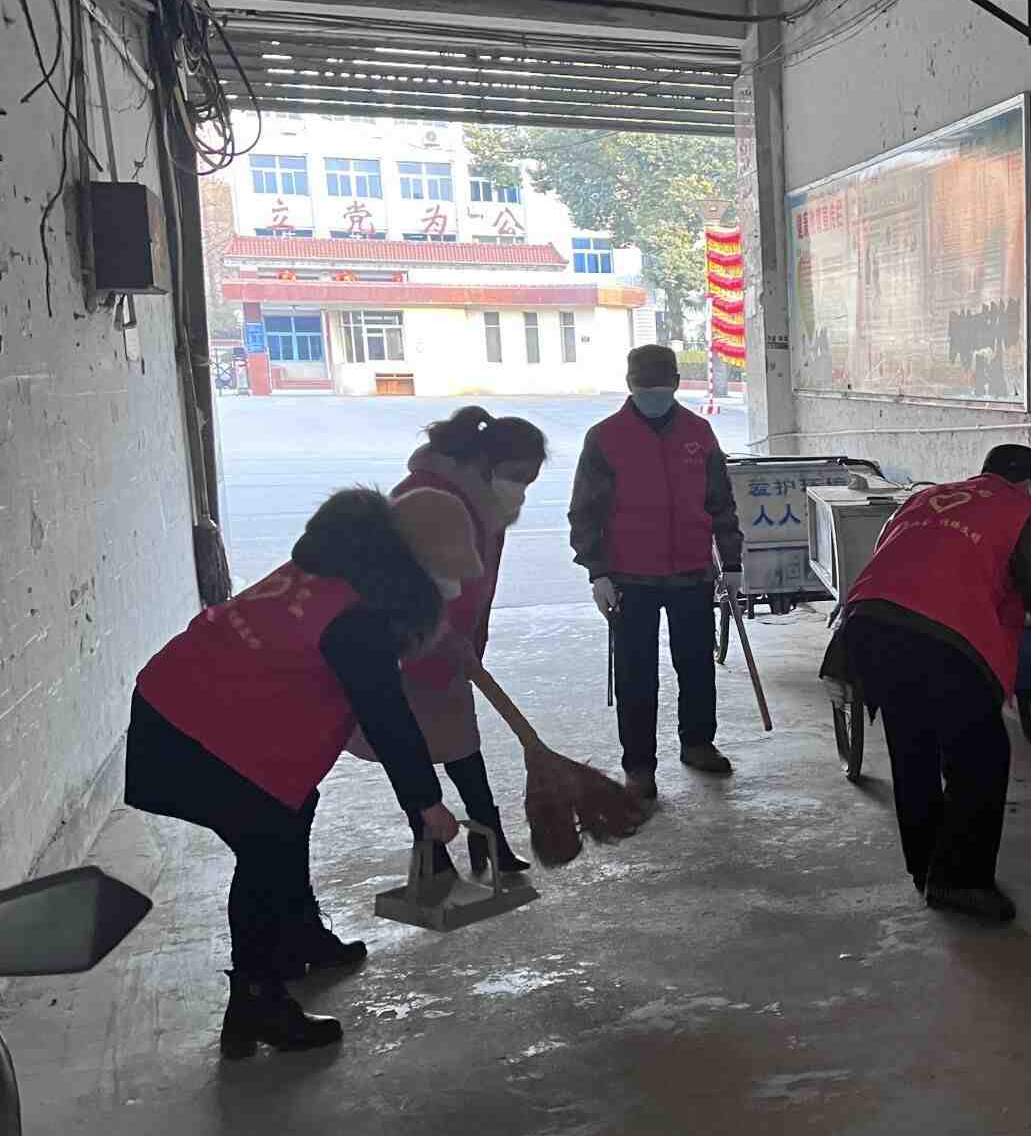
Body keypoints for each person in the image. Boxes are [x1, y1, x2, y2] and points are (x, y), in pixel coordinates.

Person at [126, 488, 483, 1059]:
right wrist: (426, 802)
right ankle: (256, 1002)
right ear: (411, 566)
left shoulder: (337, 567)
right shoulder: (358, 616)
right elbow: (385, 716)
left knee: (291, 812)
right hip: (185, 728)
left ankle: (298, 940)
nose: (454, 589)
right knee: (265, 849)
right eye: (445, 574)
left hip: (179, 700)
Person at [820, 444, 1031, 924]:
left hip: (869, 628)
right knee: (981, 757)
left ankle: (927, 868)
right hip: (945, 635)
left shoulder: (926, 498)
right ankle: (960, 881)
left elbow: (886, 562)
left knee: (913, 750)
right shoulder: (1018, 508)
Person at [349, 406, 547, 878]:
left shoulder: (480, 500)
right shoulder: (430, 499)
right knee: (412, 755)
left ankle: (488, 841)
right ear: (484, 462)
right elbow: (404, 584)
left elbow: (474, 583)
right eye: (516, 476)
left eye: (530, 481)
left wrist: (465, 640)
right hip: (403, 648)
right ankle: (434, 852)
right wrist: (436, 635)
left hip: (450, 647)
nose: (521, 489)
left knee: (460, 744)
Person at [568, 344, 743, 804]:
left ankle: (698, 743)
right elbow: (585, 511)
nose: (654, 397)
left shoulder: (699, 433)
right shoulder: (605, 438)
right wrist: (598, 573)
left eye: (662, 390)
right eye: (645, 390)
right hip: (629, 577)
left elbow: (721, 503)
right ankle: (639, 767)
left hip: (692, 572)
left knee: (697, 664)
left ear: (676, 386)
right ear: (630, 386)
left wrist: (732, 563)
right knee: (635, 674)